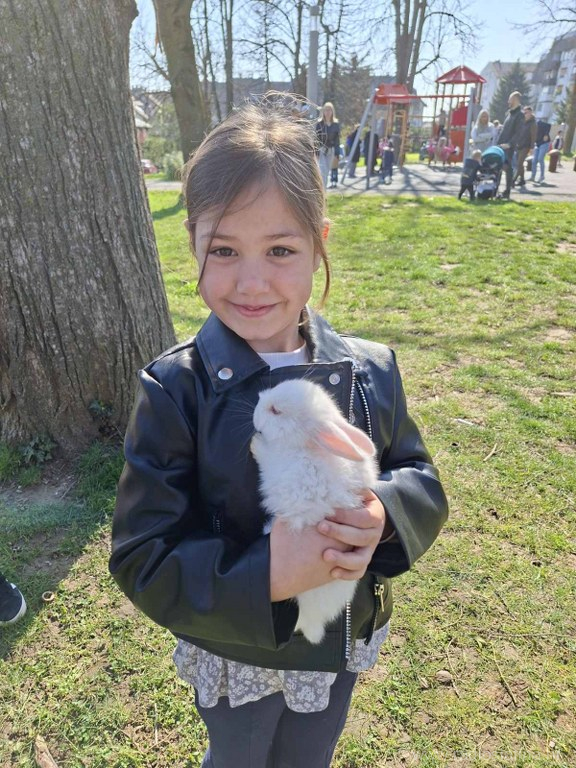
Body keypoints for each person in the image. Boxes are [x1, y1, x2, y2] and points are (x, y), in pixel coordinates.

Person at [109, 96, 448, 768]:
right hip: (235, 650)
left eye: (281, 249)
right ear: (193, 243)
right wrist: (262, 574)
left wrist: (384, 514)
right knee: (237, 756)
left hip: (336, 638)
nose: (252, 281)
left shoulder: (369, 372)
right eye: (224, 249)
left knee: (309, 756)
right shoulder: (176, 389)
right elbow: (142, 554)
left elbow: (420, 479)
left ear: (320, 243)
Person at [498, 91, 525, 199]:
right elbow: (504, 131)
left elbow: (519, 132)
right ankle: (496, 189)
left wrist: (510, 144)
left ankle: (507, 191)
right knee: (500, 167)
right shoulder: (510, 114)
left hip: (508, 146)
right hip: (501, 145)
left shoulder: (519, 115)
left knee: (507, 168)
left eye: (510, 99)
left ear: (515, 99)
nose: (508, 101)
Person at [315, 102, 340, 189]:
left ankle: (322, 189)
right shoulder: (319, 124)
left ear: (332, 111)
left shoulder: (336, 124)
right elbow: (316, 139)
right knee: (323, 171)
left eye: (329, 110)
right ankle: (323, 190)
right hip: (322, 150)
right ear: (323, 111)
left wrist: (337, 153)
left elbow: (337, 140)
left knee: (327, 171)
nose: (328, 112)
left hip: (331, 150)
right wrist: (316, 152)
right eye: (326, 110)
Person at [513, 106, 537, 187]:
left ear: (531, 113)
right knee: (519, 164)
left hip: (526, 146)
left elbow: (533, 136)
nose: (525, 114)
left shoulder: (533, 123)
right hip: (519, 145)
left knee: (519, 163)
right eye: (524, 112)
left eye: (527, 112)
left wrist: (532, 148)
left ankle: (514, 179)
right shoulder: (522, 121)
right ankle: (522, 179)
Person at [531, 119, 551, 183]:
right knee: (534, 160)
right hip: (537, 144)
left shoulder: (539, 123)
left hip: (544, 143)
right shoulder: (530, 127)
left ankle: (542, 176)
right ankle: (532, 176)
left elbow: (548, 125)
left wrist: (546, 134)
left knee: (540, 158)